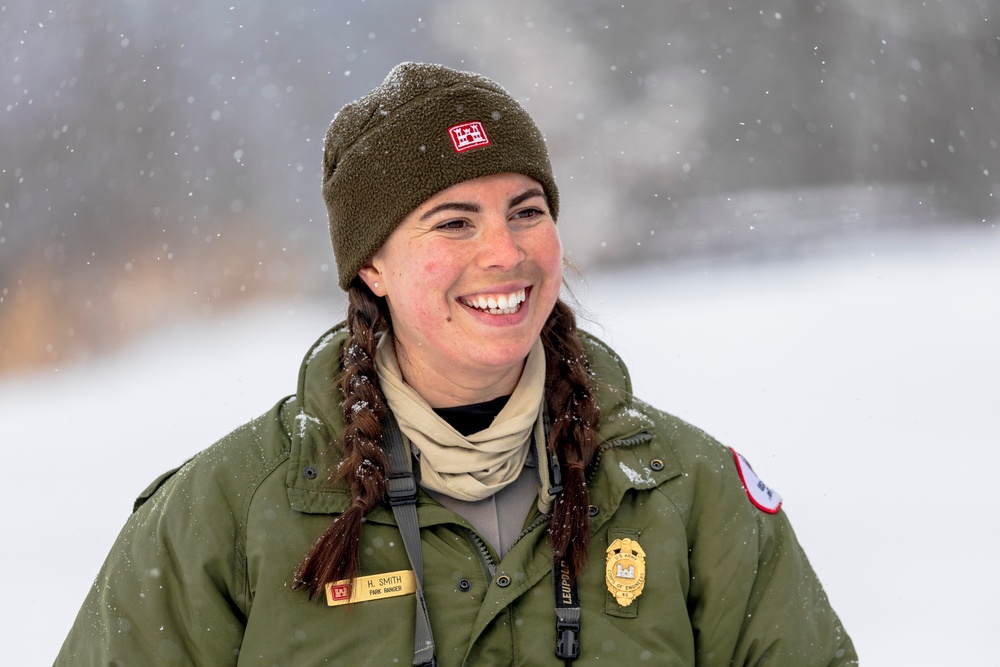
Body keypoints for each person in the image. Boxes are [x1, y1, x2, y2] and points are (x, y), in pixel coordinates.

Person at [56, 62, 857, 666]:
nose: (505, 253)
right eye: (454, 221)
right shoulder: (228, 515)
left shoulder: (694, 496)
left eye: (527, 211)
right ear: (371, 264)